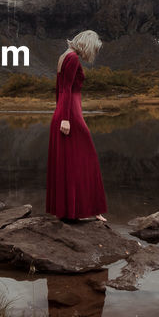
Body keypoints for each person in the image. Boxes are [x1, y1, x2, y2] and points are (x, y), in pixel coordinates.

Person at [47, 30, 108, 222]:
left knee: (70, 162)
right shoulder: (72, 58)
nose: (93, 54)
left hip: (65, 112)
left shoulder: (64, 56)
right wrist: (65, 118)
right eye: (94, 49)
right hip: (70, 114)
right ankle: (88, 209)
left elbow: (60, 90)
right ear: (87, 45)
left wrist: (59, 115)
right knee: (86, 160)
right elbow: (65, 90)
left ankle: (71, 210)